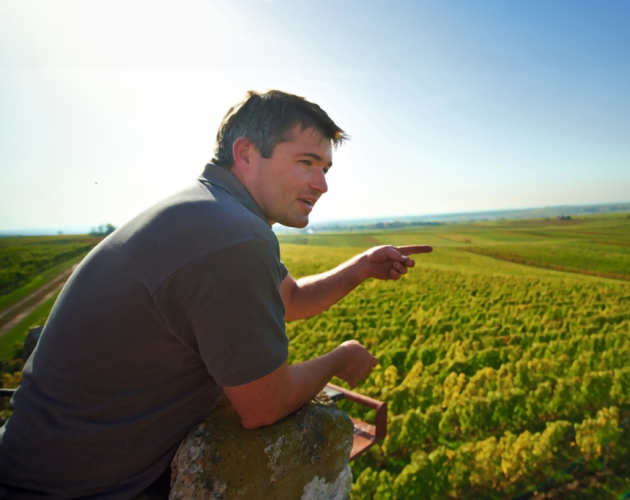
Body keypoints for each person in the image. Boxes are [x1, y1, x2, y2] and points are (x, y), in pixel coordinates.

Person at [0, 90, 432, 498]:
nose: (322, 184)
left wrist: (359, 269)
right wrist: (341, 357)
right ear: (245, 153)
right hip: (74, 489)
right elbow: (265, 405)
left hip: (31, 465)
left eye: (325, 168)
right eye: (306, 162)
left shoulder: (209, 210)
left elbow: (291, 300)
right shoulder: (234, 235)